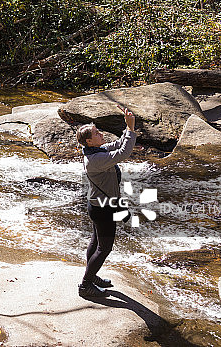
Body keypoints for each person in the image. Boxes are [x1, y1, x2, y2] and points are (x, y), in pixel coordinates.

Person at [76, 107, 136, 298]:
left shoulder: (95, 151)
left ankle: (91, 276)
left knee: (96, 242)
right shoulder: (96, 159)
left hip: (98, 205)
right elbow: (123, 153)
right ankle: (85, 285)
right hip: (103, 208)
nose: (101, 134)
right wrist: (131, 129)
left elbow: (118, 144)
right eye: (96, 133)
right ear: (88, 141)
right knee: (104, 248)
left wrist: (127, 127)